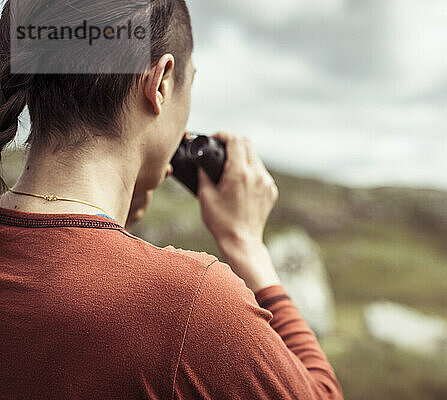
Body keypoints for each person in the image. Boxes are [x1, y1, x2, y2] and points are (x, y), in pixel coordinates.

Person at [0, 0, 343, 399]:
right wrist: (246, 245)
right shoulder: (187, 303)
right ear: (161, 82)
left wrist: (119, 226)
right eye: (190, 83)